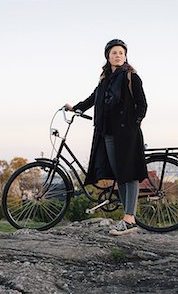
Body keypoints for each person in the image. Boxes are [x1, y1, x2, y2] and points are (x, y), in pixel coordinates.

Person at [65, 39, 148, 236]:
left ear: (125, 56)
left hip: (127, 132)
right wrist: (76, 108)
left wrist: (134, 124)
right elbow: (93, 98)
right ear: (108, 56)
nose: (118, 55)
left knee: (130, 174)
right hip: (108, 132)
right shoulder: (104, 79)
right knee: (121, 174)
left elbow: (142, 104)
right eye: (114, 53)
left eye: (121, 52)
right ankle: (128, 218)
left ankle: (129, 218)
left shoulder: (131, 77)